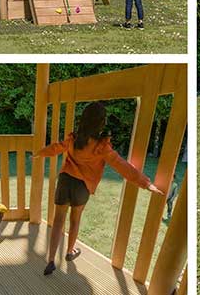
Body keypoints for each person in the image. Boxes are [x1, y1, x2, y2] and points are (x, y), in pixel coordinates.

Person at [33, 102, 164, 276]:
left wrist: (40, 152)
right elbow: (122, 165)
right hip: (82, 186)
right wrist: (146, 183)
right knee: (75, 220)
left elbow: (56, 148)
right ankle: (70, 252)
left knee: (58, 221)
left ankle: (50, 260)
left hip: (65, 181)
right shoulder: (102, 147)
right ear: (101, 123)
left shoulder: (74, 139)